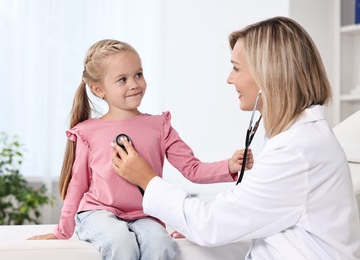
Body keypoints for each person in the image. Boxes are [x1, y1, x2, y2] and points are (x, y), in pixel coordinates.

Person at [112, 17, 360, 259]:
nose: (230, 79)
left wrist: (146, 179)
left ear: (268, 74)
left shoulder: (296, 150)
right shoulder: (299, 139)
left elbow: (210, 224)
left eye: (236, 68)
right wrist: (197, 226)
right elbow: (245, 217)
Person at [28, 39, 253, 260]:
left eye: (138, 74)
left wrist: (228, 166)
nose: (134, 84)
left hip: (145, 214)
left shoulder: (159, 126)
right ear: (98, 89)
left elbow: (192, 169)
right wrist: (61, 232)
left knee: (160, 243)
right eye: (122, 80)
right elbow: (77, 186)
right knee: (119, 240)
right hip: (98, 212)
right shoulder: (87, 132)